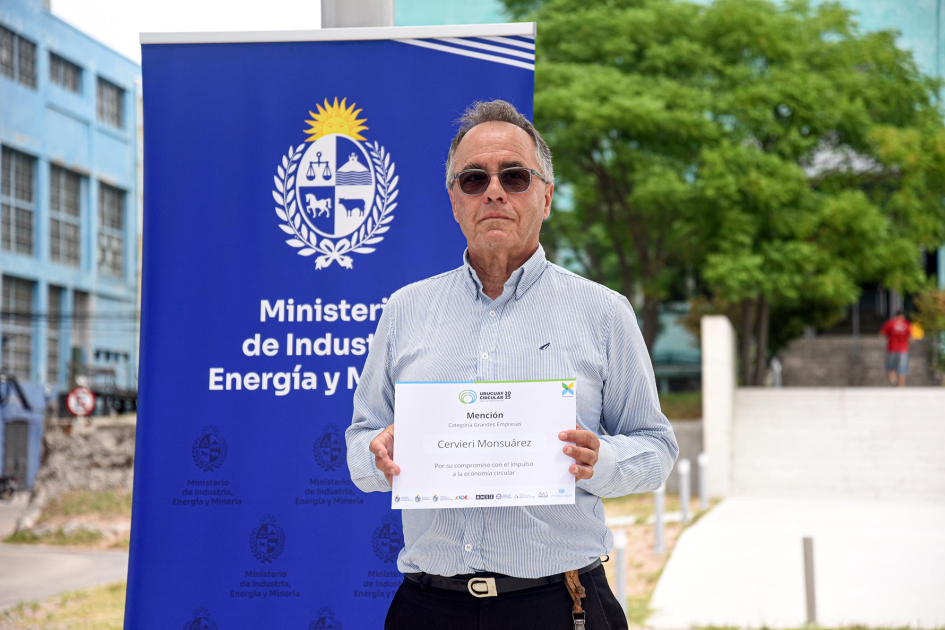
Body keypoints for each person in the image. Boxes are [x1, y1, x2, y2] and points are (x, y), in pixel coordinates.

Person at [345, 100, 678, 629]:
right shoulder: (405, 311)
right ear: (454, 201)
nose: (494, 190)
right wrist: (376, 453)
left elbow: (656, 450)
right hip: (429, 607)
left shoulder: (603, 312)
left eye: (515, 176)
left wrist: (602, 461)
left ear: (545, 197)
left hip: (561, 603)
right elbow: (360, 446)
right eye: (474, 179)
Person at [880, 310, 912, 387]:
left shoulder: (890, 323)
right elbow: (911, 337)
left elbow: (882, 334)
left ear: (896, 316)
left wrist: (890, 336)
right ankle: (901, 385)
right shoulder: (907, 324)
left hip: (892, 349)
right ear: (903, 316)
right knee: (903, 369)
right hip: (903, 349)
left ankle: (894, 379)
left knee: (890, 368)